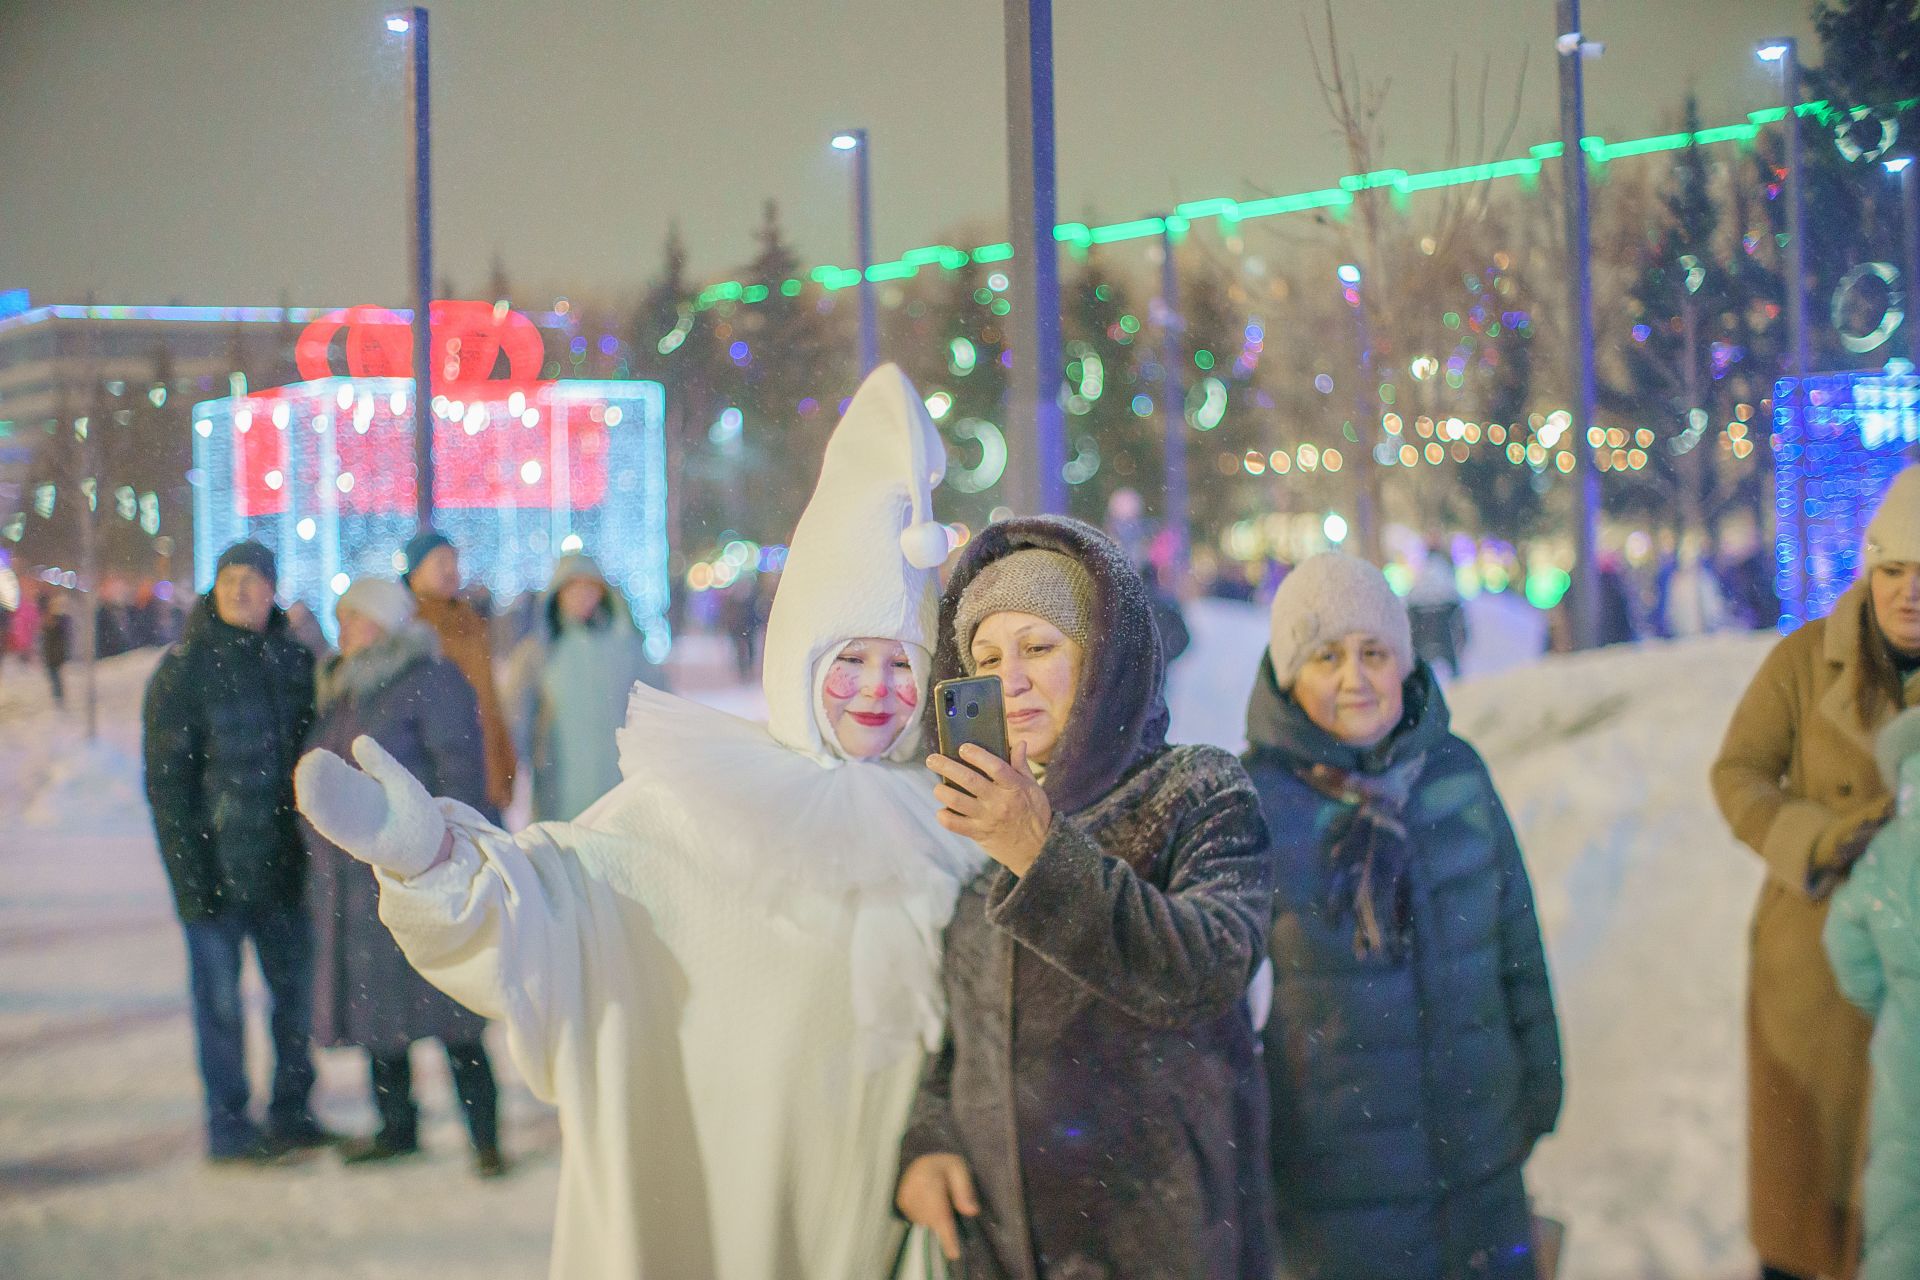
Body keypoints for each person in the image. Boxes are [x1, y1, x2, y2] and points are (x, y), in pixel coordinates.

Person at [293, 365, 981, 1278]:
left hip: (876, 1216)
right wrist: (433, 864)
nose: (874, 689)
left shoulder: (950, 816)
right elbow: (552, 901)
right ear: (799, 655)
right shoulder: (698, 804)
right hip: (722, 1210)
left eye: (901, 664)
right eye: (849, 657)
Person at [896, 515, 1274, 1279]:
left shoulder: (1196, 789)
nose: (1012, 678)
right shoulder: (978, 837)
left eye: (1039, 647)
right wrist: (929, 1142)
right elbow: (965, 1043)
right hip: (999, 1249)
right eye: (988, 657)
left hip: (1161, 1248)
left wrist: (1038, 852)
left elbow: (1206, 968)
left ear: (1102, 657)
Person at [1240, 552, 1562, 1280]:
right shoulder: (1253, 807)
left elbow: (1514, 940)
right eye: (1326, 656)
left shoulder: (1456, 776)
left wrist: (1536, 1087)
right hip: (1335, 1197)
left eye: (1374, 653)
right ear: (1289, 675)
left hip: (1480, 1165)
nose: (1355, 678)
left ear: (1405, 663)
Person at [1711, 466, 1920, 1280]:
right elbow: (1737, 774)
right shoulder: (1803, 662)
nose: (1908, 593)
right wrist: (1821, 838)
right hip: (1812, 974)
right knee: (1811, 1198)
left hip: (1915, 973)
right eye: (1893, 571)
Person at [302, 577, 504, 1176]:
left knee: (451, 1011)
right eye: (343, 619)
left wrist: (452, 855)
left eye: (358, 618)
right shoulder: (344, 687)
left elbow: (462, 775)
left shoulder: (431, 681)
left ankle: (485, 1137)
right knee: (377, 1013)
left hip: (419, 874)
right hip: (357, 882)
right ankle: (397, 1127)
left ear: (388, 624)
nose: (346, 630)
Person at [141, 540, 331, 1163]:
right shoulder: (184, 670)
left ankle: (293, 1113)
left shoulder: (293, 662)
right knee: (220, 1010)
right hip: (214, 876)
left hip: (282, 871)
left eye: (253, 579)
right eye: (229, 579)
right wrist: (189, 878)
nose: (240, 589)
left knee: (295, 1002)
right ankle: (229, 1130)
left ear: (273, 590)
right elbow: (168, 787)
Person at [1825, 706, 1920, 1280]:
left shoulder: (1884, 854)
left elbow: (1847, 942)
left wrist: (1889, 1004)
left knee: (1901, 1183)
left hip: (1907, 1037)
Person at [505, 553, 665, 822]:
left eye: (589, 587)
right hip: (558, 788)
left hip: (617, 783)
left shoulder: (625, 648)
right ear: (558, 594)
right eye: (572, 587)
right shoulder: (538, 653)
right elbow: (516, 717)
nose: (581, 595)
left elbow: (658, 703)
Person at [402, 531, 516, 817]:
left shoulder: (471, 622)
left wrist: (504, 761)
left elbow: (489, 701)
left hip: (483, 770)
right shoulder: (408, 629)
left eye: (453, 561)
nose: (451, 570)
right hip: (441, 776)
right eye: (440, 562)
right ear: (415, 573)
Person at [1407, 544, 1468, 678]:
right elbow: (1455, 602)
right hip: (1443, 625)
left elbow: (1412, 602)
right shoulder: (1444, 571)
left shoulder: (1422, 571)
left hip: (1423, 626)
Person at [41, 591, 71, 707]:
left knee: (56, 678)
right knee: (54, 678)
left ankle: (59, 698)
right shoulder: (51, 627)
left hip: (54, 658)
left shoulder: (57, 626)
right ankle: (57, 697)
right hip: (51, 657)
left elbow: (58, 644)